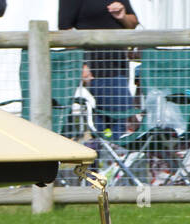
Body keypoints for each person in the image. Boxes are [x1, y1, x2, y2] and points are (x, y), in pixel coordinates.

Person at [59, 0, 138, 128]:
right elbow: (65, 30)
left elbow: (133, 22)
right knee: (120, 110)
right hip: (95, 66)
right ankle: (112, 144)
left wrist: (122, 16)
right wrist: (81, 64)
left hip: (120, 64)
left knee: (109, 114)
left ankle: (103, 144)